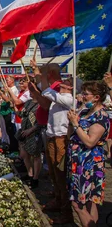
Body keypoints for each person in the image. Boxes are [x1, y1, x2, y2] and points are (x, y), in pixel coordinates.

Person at [67, 81, 110, 227]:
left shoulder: (101, 116)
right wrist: (71, 122)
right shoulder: (85, 112)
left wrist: (76, 124)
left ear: (96, 97)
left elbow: (90, 142)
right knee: (90, 202)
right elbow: (70, 136)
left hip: (89, 164)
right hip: (77, 162)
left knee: (78, 203)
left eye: (86, 94)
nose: (82, 96)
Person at [35, 69, 74, 224]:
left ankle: (66, 211)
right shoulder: (58, 98)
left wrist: (41, 76)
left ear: (70, 88)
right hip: (52, 138)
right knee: (53, 172)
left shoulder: (68, 99)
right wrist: (39, 76)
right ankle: (58, 199)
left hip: (61, 139)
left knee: (61, 173)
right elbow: (45, 91)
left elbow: (46, 90)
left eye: (65, 85)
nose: (61, 86)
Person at [16, 82, 43, 189]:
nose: (30, 93)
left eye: (32, 91)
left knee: (35, 155)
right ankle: (30, 174)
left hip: (34, 132)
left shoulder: (41, 104)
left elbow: (41, 121)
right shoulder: (28, 102)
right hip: (24, 131)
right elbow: (22, 113)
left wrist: (31, 130)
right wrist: (14, 106)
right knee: (25, 154)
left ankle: (35, 178)